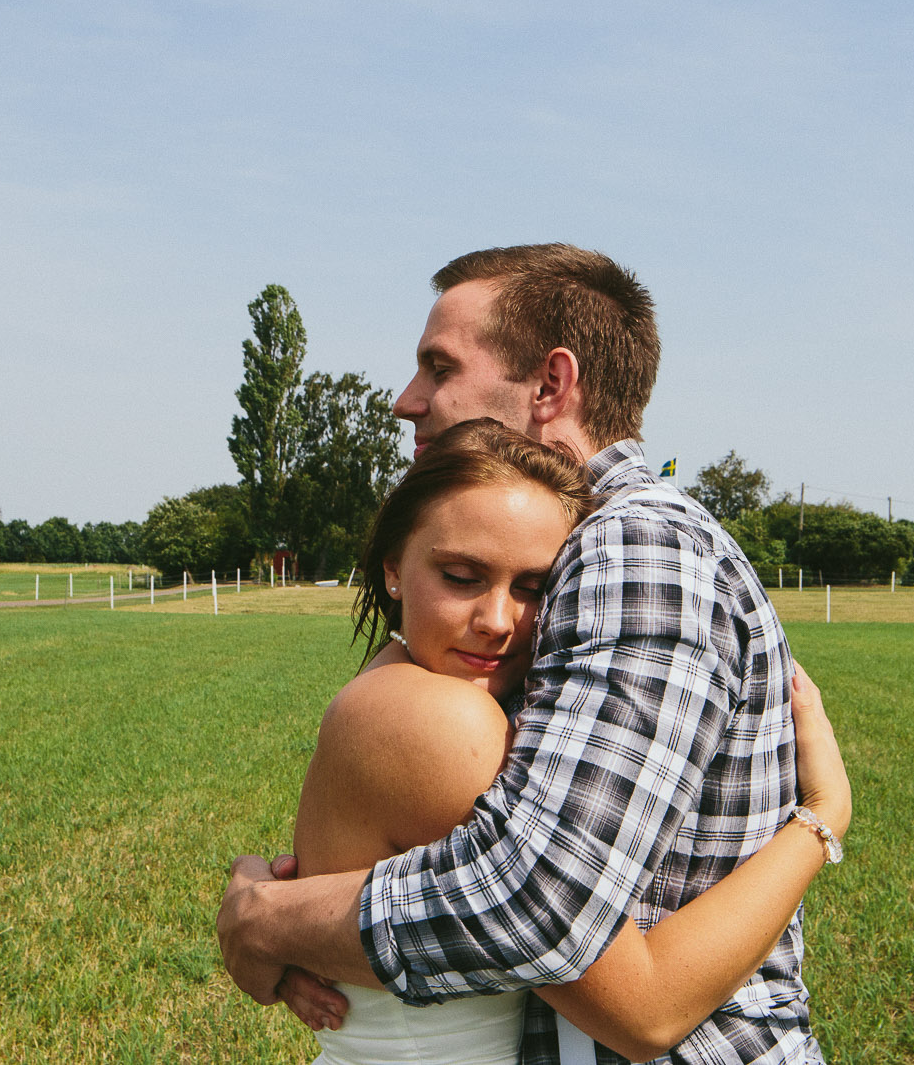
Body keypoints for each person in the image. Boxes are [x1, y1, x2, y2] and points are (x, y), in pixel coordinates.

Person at [220, 244, 825, 1062]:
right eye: (463, 574)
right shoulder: (573, 546)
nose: (407, 401)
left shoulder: (634, 544)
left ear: (549, 385)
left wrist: (269, 919)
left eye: (440, 366)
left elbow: (541, 903)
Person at [284, 419, 849, 1062]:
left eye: (531, 588)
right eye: (461, 576)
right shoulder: (443, 722)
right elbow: (647, 1007)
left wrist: (269, 915)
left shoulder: (387, 680)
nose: (498, 622)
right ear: (393, 570)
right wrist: (823, 817)